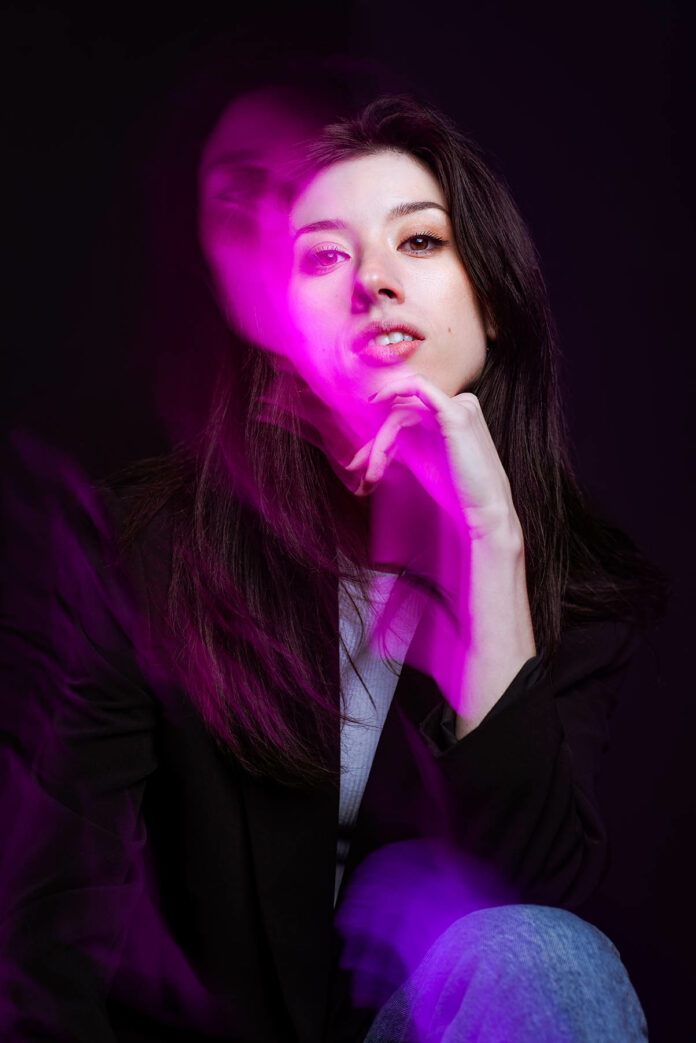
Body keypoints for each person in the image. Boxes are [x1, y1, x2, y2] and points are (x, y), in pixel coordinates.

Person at [0, 91, 667, 1042]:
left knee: (537, 950)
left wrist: (489, 539)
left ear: (498, 306)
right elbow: (42, 937)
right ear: (278, 336)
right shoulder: (145, 551)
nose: (375, 282)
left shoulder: (574, 588)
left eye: (422, 242)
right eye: (323, 254)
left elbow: (533, 924)